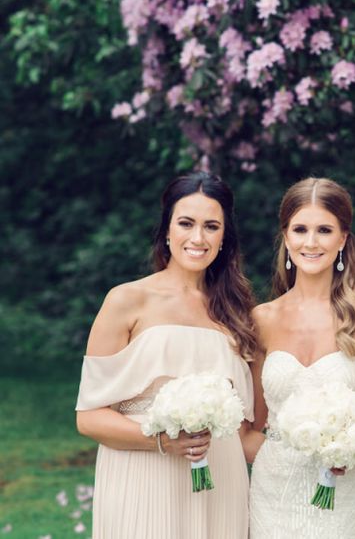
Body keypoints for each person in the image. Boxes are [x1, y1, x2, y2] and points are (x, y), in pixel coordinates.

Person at [75, 172, 259, 539]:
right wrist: (160, 440)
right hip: (144, 475)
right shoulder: (126, 300)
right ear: (167, 231)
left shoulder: (237, 312)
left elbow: (243, 431)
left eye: (211, 226)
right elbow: (89, 418)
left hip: (220, 479)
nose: (198, 237)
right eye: (186, 223)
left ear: (225, 238)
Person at [248, 177, 355, 539]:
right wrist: (280, 455)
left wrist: (350, 447)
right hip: (274, 494)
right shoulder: (262, 318)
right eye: (300, 229)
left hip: (344, 491)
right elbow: (250, 426)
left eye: (324, 230)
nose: (311, 242)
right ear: (286, 237)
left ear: (343, 239)